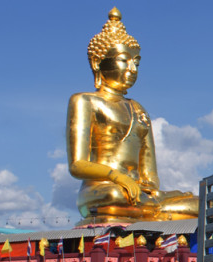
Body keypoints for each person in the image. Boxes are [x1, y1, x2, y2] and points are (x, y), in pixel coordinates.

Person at [67, 8, 198, 224]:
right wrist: (116, 177)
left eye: (136, 62)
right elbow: (77, 165)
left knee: (202, 205)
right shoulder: (84, 101)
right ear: (97, 62)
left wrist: (151, 187)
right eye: (123, 60)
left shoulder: (138, 109)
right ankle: (155, 212)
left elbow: (149, 171)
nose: (132, 69)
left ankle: (153, 210)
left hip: (140, 195)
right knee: (116, 196)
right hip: (102, 189)